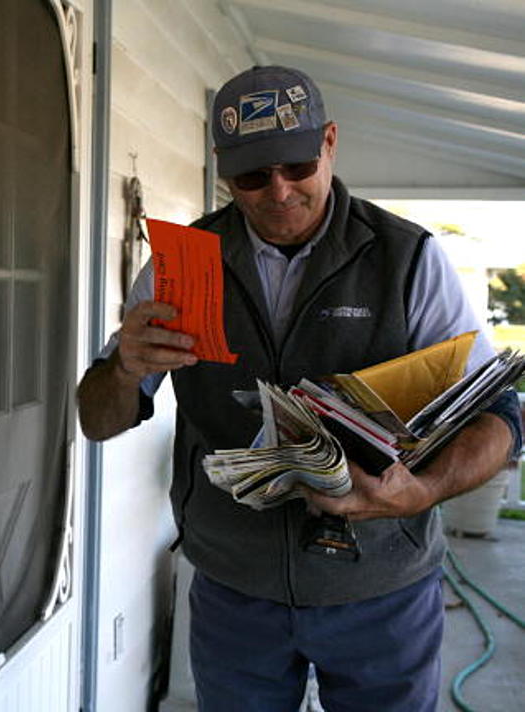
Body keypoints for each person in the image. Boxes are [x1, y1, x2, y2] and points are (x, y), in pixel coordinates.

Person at [77, 65, 522, 712]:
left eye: (295, 164)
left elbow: (499, 415)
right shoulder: (182, 263)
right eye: (252, 176)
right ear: (222, 169)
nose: (277, 191)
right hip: (235, 586)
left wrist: (418, 492)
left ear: (329, 143)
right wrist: (122, 369)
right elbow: (97, 419)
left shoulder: (407, 259)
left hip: (380, 587)